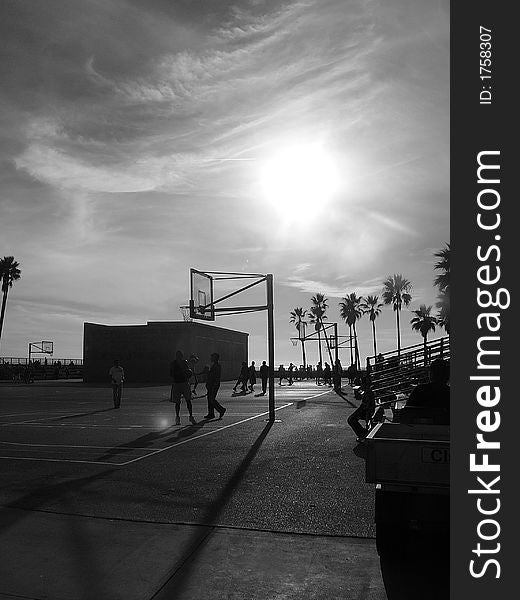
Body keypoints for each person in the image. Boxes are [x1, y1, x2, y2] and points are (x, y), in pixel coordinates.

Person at [170, 350, 196, 425]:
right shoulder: (173, 364)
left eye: (180, 355)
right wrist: (180, 373)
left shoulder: (185, 362)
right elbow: (171, 373)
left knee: (188, 400)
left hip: (184, 383)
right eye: (178, 355)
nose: (179, 357)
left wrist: (188, 372)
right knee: (178, 402)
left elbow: (188, 371)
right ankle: (178, 417)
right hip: (177, 383)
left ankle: (190, 416)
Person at [347, 375, 376, 442]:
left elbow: (365, 407)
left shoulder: (367, 392)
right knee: (351, 419)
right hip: (366, 410)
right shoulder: (368, 391)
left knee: (351, 419)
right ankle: (362, 432)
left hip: (366, 411)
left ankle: (362, 434)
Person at [203, 353, 226, 420]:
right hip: (211, 384)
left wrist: (214, 385)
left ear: (215, 358)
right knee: (209, 398)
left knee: (211, 399)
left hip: (214, 385)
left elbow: (216, 376)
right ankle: (211, 413)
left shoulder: (217, 366)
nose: (211, 358)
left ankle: (221, 409)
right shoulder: (214, 365)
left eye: (212, 357)